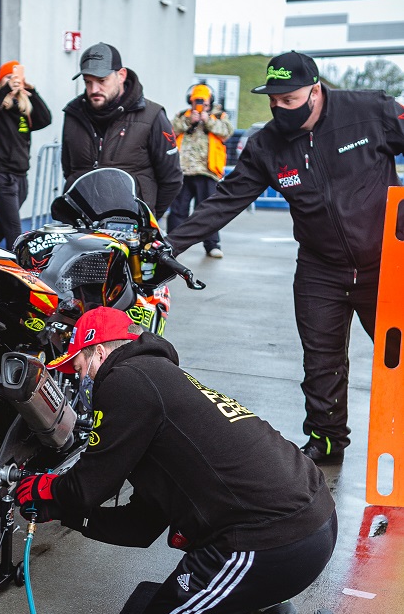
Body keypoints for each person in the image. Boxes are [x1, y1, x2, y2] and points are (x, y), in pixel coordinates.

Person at [13, 307, 373, 614]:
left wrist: (44, 489)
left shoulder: (125, 381)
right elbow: (140, 526)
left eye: (80, 367)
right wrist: (66, 514)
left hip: (273, 540)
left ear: (98, 352)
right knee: (195, 575)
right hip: (309, 525)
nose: (82, 381)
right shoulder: (160, 382)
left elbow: (86, 488)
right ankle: (267, 606)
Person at [167, 51, 404, 464]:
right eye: (273, 100)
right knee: (321, 360)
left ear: (315, 91)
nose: (280, 109)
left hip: (385, 262)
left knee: (397, 358)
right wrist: (168, 246)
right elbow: (225, 200)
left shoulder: (369, 111)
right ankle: (326, 440)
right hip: (319, 268)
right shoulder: (267, 144)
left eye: (289, 100)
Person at [61, 42, 183, 216]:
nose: (94, 89)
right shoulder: (73, 114)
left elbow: (172, 179)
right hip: (80, 220)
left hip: (130, 224)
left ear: (121, 75)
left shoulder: (152, 116)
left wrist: (147, 218)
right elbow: (69, 170)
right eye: (88, 82)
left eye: (102, 81)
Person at [0, 60, 52, 249]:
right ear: (1, 81)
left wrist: (32, 91)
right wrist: (5, 91)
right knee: (14, 230)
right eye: (8, 77)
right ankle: (17, 267)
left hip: (21, 176)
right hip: (1, 175)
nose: (13, 81)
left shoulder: (23, 109)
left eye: (16, 78)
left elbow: (45, 119)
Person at [167, 82, 233, 259]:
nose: (200, 104)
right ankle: (171, 246)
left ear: (210, 101)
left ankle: (212, 245)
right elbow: (170, 131)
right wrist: (190, 121)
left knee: (208, 212)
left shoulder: (218, 116)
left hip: (207, 172)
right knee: (178, 210)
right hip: (183, 171)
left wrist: (207, 120)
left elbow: (227, 132)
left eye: (203, 101)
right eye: (197, 100)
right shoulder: (183, 116)